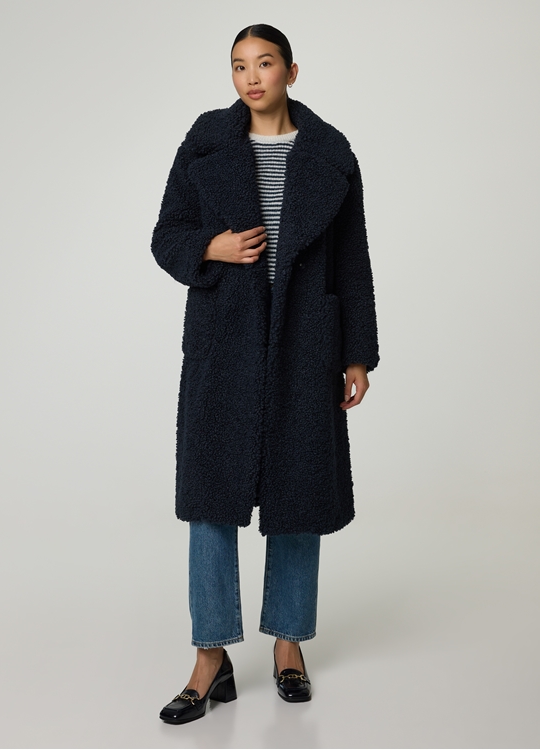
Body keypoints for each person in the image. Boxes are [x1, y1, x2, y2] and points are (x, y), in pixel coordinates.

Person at [151, 23, 379, 724]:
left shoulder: (330, 152)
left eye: (265, 63)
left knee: (299, 493)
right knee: (210, 498)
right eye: (239, 66)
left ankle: (288, 644)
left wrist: (356, 352)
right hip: (224, 342)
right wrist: (210, 246)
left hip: (307, 342)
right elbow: (166, 236)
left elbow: (352, 258)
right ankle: (210, 658)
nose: (251, 77)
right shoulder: (206, 143)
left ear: (291, 71)